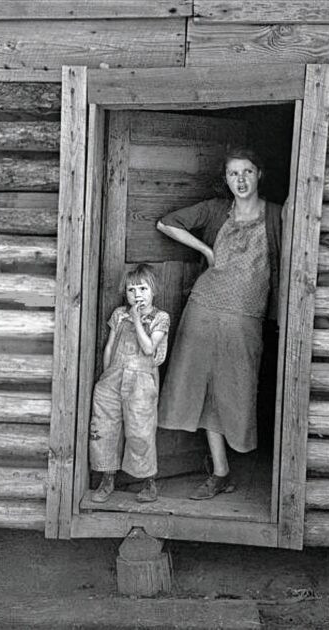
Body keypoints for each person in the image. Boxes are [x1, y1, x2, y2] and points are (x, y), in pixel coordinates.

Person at [156, 146, 282, 500]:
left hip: (246, 313)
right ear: (225, 179)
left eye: (247, 172)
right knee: (200, 385)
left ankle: (233, 466)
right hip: (204, 305)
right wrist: (207, 251)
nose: (240, 180)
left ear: (259, 174)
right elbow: (166, 222)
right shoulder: (215, 210)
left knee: (234, 388)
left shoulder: (277, 215)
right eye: (233, 174)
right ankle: (220, 471)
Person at [89, 264, 170, 503]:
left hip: (141, 382)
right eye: (131, 290)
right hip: (112, 380)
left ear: (154, 291)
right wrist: (106, 376)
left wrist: (136, 320)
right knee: (105, 428)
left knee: (140, 431)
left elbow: (148, 348)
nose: (137, 295)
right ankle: (107, 478)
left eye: (143, 289)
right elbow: (109, 347)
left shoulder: (160, 318)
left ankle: (149, 481)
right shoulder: (118, 314)